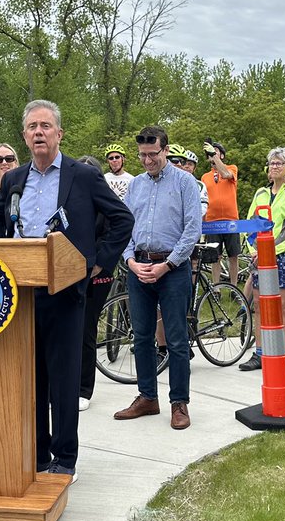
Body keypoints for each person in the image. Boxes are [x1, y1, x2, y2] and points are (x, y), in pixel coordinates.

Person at [0, 101, 133, 480]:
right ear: (24, 135)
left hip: (66, 292)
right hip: (23, 293)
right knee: (31, 377)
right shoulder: (15, 178)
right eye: (32, 127)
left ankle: (64, 458)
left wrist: (96, 263)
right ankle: (37, 454)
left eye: (46, 126)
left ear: (59, 134)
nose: (39, 132)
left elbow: (121, 219)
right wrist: (4, 254)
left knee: (63, 379)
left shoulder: (81, 176)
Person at [114, 126, 202, 430]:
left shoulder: (185, 183)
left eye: (153, 154)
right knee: (141, 337)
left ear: (166, 150)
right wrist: (130, 261)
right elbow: (124, 227)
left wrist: (169, 264)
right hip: (139, 268)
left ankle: (179, 403)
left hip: (172, 270)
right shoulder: (135, 185)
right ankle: (148, 397)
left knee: (176, 339)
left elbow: (192, 230)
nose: (148, 160)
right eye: (142, 155)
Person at [241, 147, 285, 373]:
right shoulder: (260, 193)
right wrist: (255, 248)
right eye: (272, 163)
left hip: (283, 255)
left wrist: (272, 249)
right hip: (260, 256)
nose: (274, 167)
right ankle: (259, 352)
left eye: (279, 163)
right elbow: (251, 222)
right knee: (259, 305)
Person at [76, 154, 116, 411]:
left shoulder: (106, 203)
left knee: (86, 329)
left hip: (97, 275)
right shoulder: (70, 201)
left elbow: (114, 232)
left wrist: (99, 262)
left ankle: (83, 389)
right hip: (70, 273)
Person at [199, 138, 239, 285]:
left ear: (221, 155)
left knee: (233, 256)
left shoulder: (232, 168)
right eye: (210, 153)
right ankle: (216, 287)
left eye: (215, 152)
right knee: (215, 256)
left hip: (231, 220)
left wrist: (215, 156)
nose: (212, 155)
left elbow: (226, 174)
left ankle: (235, 287)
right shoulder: (205, 176)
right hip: (212, 221)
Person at [168, 146, 208, 216]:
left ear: (194, 168)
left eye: (190, 164)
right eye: (184, 163)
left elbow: (203, 207)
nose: (186, 166)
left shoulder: (200, 185)